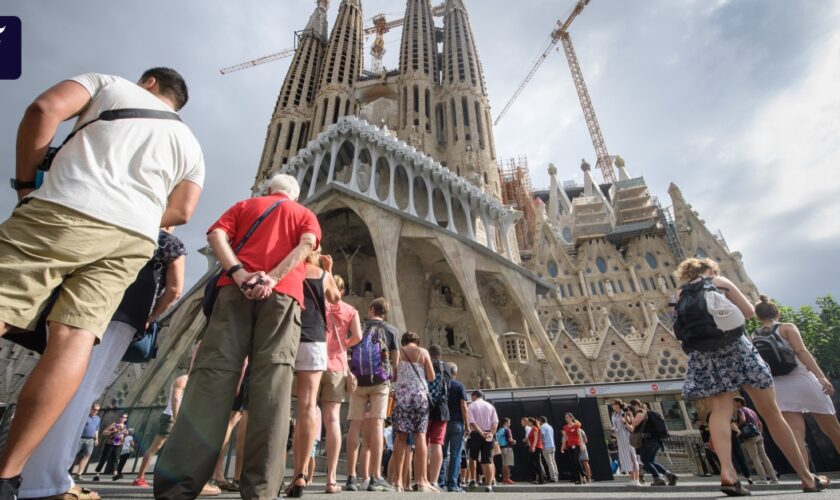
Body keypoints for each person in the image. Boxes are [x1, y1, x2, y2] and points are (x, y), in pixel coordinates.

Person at [0, 67, 203, 497]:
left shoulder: (110, 84)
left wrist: (24, 185)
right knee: (75, 340)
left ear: (148, 82)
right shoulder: (190, 143)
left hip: (68, 205)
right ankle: (10, 475)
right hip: (132, 238)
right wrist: (141, 212)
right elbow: (183, 211)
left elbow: (43, 109)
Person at [154, 173, 321, 499]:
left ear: (270, 189)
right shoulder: (304, 214)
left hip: (234, 291)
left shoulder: (246, 205)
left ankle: (178, 486)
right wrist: (272, 278)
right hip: (283, 296)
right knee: (272, 387)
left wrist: (240, 273)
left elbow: (216, 234)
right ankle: (260, 491)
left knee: (210, 381)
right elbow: (307, 245)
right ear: (294, 195)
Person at [16, 229, 188, 499]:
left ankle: (22, 471)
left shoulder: (107, 222)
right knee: (81, 391)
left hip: (73, 303)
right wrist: (151, 318)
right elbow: (175, 290)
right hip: (120, 316)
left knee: (56, 380)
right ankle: (45, 481)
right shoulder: (167, 242)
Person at [675, 258, 828, 496]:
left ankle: (727, 473)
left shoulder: (681, 292)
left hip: (705, 356)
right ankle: (807, 478)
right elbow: (748, 313)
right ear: (710, 270)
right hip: (737, 349)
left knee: (720, 411)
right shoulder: (718, 281)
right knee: (771, 413)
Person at [754, 296, 840, 467]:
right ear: (777, 312)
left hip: (780, 386)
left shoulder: (754, 335)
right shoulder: (787, 328)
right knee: (832, 429)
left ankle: (807, 477)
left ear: (758, 316)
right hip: (803, 380)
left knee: (796, 434)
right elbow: (801, 351)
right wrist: (821, 377)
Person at [286, 250, 341, 498]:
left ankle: (273, 472)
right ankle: (300, 474)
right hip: (313, 339)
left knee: (282, 405)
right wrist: (327, 270)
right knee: (308, 407)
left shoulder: (289, 268)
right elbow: (336, 297)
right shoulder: (321, 274)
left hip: (287, 337)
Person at [344, 298, 399, 493]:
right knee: (377, 424)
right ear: (385, 312)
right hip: (380, 383)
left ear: (370, 310)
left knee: (354, 425)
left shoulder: (360, 328)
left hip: (359, 381)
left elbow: (348, 350)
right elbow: (395, 362)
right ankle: (375, 477)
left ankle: (351, 477)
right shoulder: (391, 330)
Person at [319, 274, 362, 493]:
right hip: (336, 365)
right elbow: (358, 337)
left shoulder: (318, 304)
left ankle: (301, 474)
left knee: (306, 414)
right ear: (342, 291)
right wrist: (343, 344)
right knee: (332, 419)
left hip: (313, 363)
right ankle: (331, 478)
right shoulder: (349, 310)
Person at [390, 331, 435, 492]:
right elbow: (431, 376)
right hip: (420, 397)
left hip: (402, 397)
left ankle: (398, 482)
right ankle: (422, 481)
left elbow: (393, 376)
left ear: (403, 341)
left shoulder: (398, 353)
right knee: (420, 436)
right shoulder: (423, 352)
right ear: (417, 341)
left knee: (401, 437)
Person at [132, 373, 189, 487]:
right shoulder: (183, 379)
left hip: (181, 419)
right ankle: (139, 478)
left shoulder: (193, 382)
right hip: (171, 417)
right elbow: (175, 399)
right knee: (156, 447)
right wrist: (176, 418)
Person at [626, 401, 676, 487]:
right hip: (653, 441)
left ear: (636, 405)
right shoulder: (645, 413)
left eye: (632, 407)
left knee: (645, 460)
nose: (631, 409)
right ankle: (669, 475)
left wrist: (630, 414)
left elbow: (634, 423)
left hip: (650, 441)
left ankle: (658, 479)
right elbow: (633, 427)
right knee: (650, 462)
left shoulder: (641, 412)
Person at [734, 397, 778, 484]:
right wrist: (760, 433)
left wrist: (737, 426)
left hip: (749, 436)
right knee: (764, 457)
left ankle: (763, 479)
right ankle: (774, 478)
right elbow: (760, 423)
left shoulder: (740, 410)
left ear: (739, 402)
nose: (733, 404)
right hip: (758, 434)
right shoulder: (751, 411)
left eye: (734, 402)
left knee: (755, 457)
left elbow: (743, 420)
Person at [440, 362, 469, 492]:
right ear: (455, 373)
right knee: (456, 454)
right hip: (457, 423)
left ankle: (440, 483)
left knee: (442, 454)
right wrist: (467, 424)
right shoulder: (459, 385)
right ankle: (453, 484)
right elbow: (464, 406)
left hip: (443, 422)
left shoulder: (441, 384)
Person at [426, 344, 450, 491]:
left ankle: (421, 478)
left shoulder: (425, 365)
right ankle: (434, 481)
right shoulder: (446, 367)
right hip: (441, 409)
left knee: (422, 441)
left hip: (426, 408)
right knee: (437, 444)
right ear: (440, 355)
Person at [467, 390, 499, 493]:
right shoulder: (490, 406)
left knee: (473, 457)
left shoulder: (471, 406)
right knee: (488, 460)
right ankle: (489, 484)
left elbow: (472, 423)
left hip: (476, 434)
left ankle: (472, 479)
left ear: (474, 396)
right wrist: (491, 433)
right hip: (488, 435)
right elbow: (495, 422)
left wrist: (481, 433)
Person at [611, 399, 641, 486]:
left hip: (628, 438)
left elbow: (632, 428)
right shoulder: (614, 415)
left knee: (633, 458)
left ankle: (637, 480)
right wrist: (613, 430)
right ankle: (632, 479)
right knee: (626, 459)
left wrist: (624, 423)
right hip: (620, 439)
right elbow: (615, 427)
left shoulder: (625, 413)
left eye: (613, 404)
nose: (612, 406)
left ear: (617, 405)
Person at [92, 413, 128, 481]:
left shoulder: (125, 427)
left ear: (126, 419)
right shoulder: (114, 424)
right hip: (110, 443)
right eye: (121, 416)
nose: (122, 418)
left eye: (124, 417)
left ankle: (115, 474)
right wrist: (112, 431)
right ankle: (97, 474)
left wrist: (125, 434)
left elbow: (122, 435)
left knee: (116, 459)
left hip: (119, 444)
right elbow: (104, 432)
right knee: (104, 458)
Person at [72, 404, 101, 480]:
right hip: (80, 438)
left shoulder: (98, 418)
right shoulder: (85, 417)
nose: (96, 411)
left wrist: (96, 439)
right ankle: (63, 472)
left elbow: (96, 429)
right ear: (91, 409)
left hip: (90, 440)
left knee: (87, 455)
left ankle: (79, 474)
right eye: (94, 409)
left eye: (97, 410)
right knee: (73, 455)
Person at [560, 413, 587, 484]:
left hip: (577, 445)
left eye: (567, 417)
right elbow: (565, 437)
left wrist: (581, 445)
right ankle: (577, 479)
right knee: (572, 462)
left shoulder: (576, 426)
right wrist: (562, 446)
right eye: (565, 417)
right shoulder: (565, 427)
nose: (566, 419)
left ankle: (583, 474)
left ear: (571, 418)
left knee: (576, 460)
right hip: (569, 445)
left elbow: (580, 436)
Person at [496, 418, 516, 484]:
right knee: (507, 464)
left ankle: (504, 479)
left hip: (501, 448)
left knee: (504, 464)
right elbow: (510, 440)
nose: (510, 424)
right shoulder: (507, 430)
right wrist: (514, 441)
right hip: (507, 448)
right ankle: (507, 479)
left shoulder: (500, 429)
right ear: (505, 423)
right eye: (509, 422)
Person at [538, 416, 558, 482]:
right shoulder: (550, 426)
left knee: (549, 463)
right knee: (553, 461)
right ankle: (556, 476)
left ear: (541, 421)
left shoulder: (542, 427)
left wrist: (542, 444)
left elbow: (542, 435)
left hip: (546, 446)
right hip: (552, 446)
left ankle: (553, 478)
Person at [527, 417, 546, 484]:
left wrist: (533, 447)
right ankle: (539, 477)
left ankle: (541, 480)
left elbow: (536, 439)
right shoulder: (532, 429)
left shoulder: (535, 429)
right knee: (532, 463)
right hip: (533, 447)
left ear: (531, 422)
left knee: (537, 463)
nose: (527, 423)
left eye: (528, 422)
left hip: (537, 447)